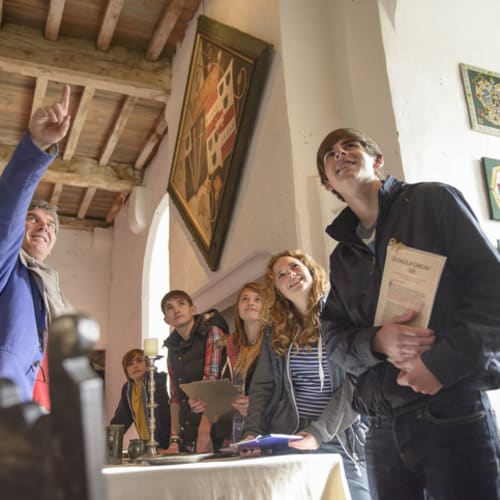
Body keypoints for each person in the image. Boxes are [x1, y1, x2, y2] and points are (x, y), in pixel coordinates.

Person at [316, 127, 500, 500]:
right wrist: (376, 341)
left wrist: (441, 365)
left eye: (350, 145)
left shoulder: (432, 201)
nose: (340, 154)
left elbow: (491, 287)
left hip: (451, 408)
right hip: (381, 424)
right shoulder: (342, 257)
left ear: (377, 161)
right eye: (329, 154)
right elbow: (333, 338)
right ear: (327, 183)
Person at [241, 250, 371, 500]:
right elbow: (263, 387)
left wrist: (319, 433)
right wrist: (252, 433)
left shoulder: (342, 314)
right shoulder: (274, 331)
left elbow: (357, 381)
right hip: (288, 436)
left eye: (295, 266)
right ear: (277, 289)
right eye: (280, 274)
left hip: (338, 435)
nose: (290, 274)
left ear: (310, 270)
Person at [0, 85, 73, 411]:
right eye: (34, 219)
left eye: (51, 225)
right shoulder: (8, 266)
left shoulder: (51, 293)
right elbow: (7, 214)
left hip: (37, 422)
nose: (44, 226)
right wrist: (36, 146)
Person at [160, 289, 229, 454]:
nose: (176, 310)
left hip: (218, 426)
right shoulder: (172, 348)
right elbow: (176, 396)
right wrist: (174, 442)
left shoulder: (212, 331)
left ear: (193, 310)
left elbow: (212, 382)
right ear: (166, 319)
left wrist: (204, 433)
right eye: (170, 308)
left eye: (181, 304)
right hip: (190, 430)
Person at [110, 348, 170, 449]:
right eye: (130, 364)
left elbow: (164, 414)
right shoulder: (128, 388)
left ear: (147, 363)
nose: (135, 366)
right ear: (126, 370)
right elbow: (121, 419)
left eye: (139, 361)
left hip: (168, 442)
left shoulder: (159, 380)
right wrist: (109, 439)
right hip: (146, 444)